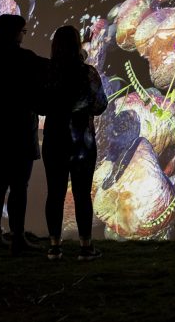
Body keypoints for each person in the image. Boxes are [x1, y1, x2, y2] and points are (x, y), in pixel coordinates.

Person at [0, 14, 49, 255]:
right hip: (19, 131)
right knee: (19, 186)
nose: (24, 35)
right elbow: (51, 68)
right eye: (23, 31)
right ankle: (17, 237)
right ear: (15, 32)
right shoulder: (24, 59)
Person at [41, 25, 108, 261]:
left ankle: (54, 246)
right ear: (78, 45)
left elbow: (40, 105)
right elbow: (101, 105)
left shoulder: (48, 73)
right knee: (81, 194)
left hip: (54, 139)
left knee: (55, 193)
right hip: (82, 142)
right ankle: (85, 246)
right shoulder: (87, 73)